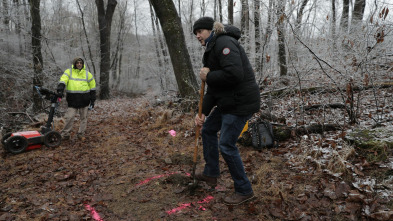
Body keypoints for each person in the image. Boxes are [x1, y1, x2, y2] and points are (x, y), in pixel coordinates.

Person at [193, 17, 261, 205]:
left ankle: (244, 190)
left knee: (226, 145)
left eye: (200, 31)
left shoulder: (224, 42)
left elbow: (234, 74)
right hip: (228, 102)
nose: (197, 36)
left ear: (209, 30)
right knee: (207, 129)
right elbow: (215, 88)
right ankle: (211, 173)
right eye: (195, 33)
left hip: (241, 104)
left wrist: (209, 75)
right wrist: (203, 113)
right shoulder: (211, 48)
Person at [57, 57, 96, 140]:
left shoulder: (87, 74)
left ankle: (81, 134)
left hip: (84, 100)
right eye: (77, 63)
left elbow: (93, 88)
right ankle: (65, 135)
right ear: (74, 64)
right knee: (69, 117)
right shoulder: (68, 72)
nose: (79, 64)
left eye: (80, 63)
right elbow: (63, 80)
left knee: (83, 119)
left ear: (83, 64)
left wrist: (92, 101)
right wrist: (60, 90)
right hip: (72, 100)